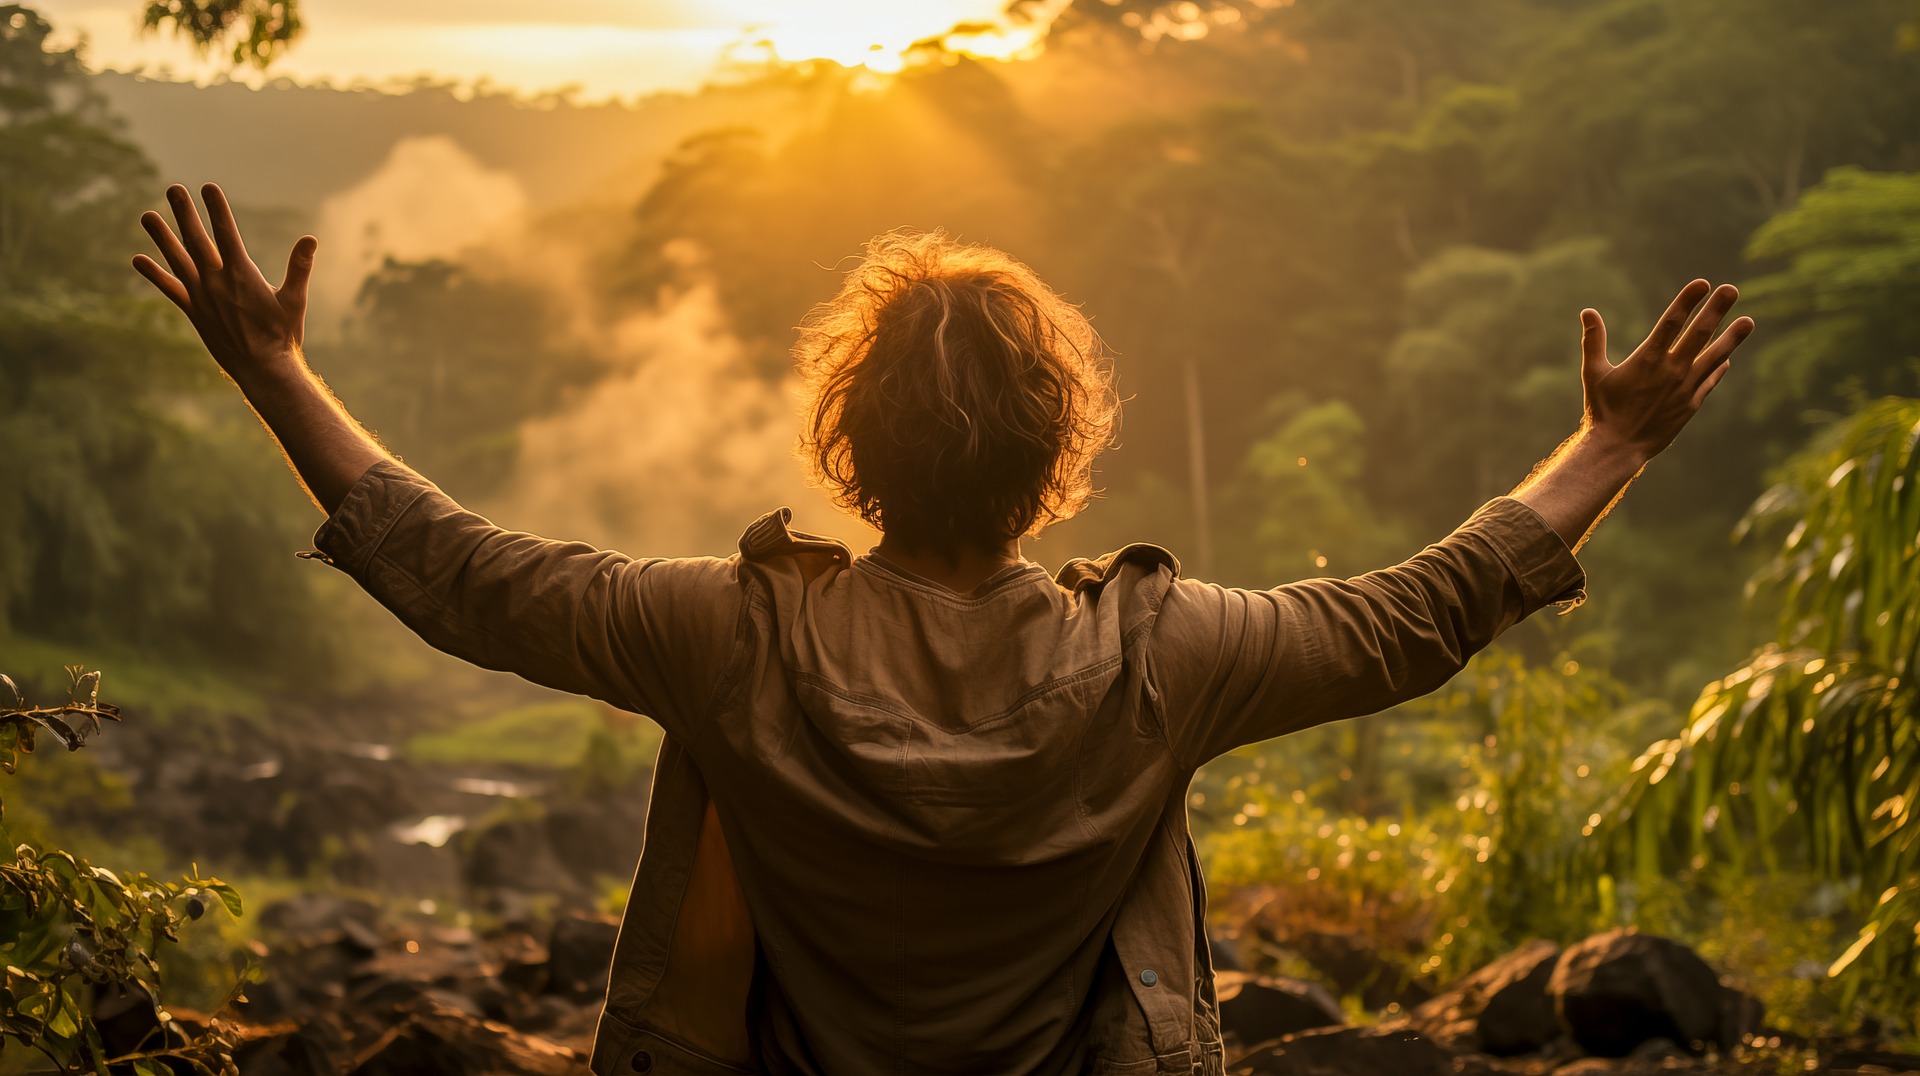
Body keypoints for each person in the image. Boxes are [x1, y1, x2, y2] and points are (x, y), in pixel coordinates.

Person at [133, 182, 1753, 1076]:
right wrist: (1611, 445)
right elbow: (1418, 615)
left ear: (852, 443)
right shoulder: (1163, 654)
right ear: (1060, 455)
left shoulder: (726, 634)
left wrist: (274, 371)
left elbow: (464, 575)